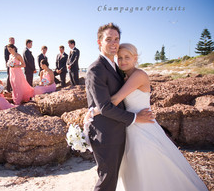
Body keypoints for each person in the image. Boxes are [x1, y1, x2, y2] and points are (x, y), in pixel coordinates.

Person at [85, 43, 208, 191]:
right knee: (134, 168)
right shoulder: (123, 76)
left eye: (127, 57)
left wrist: (93, 111)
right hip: (131, 125)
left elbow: (116, 99)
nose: (123, 61)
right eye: (120, 58)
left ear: (135, 58)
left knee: (148, 167)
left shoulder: (138, 75)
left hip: (142, 126)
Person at [85, 23, 154, 191]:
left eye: (117, 39)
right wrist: (136, 118)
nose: (114, 43)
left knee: (115, 177)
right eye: (108, 39)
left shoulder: (116, 67)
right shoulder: (96, 69)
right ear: (99, 42)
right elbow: (106, 107)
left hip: (119, 130)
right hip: (105, 133)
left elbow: (115, 99)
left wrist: (93, 110)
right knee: (107, 179)